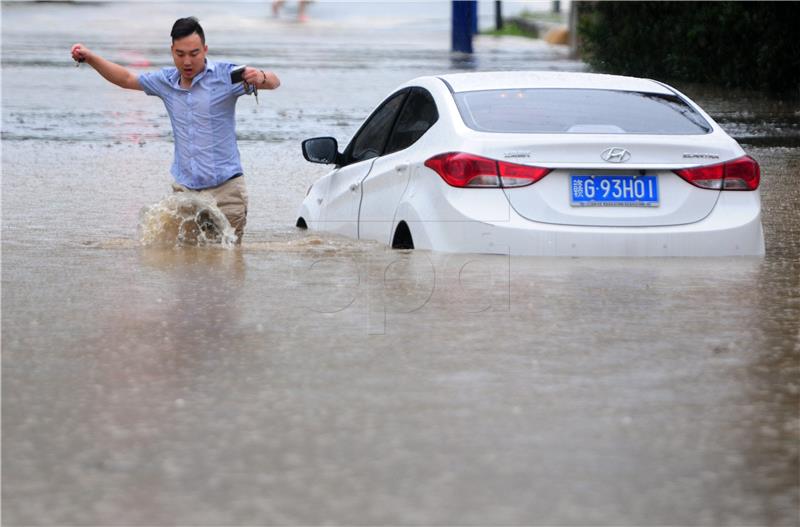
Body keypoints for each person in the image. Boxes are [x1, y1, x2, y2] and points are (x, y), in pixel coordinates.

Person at [70, 17, 280, 243]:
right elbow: (126, 78)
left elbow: (274, 82)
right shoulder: (166, 81)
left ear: (205, 49)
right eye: (180, 54)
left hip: (226, 190)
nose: (187, 61)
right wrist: (91, 58)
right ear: (172, 51)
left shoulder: (226, 76)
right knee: (185, 263)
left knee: (227, 263)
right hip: (185, 192)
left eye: (194, 53)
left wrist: (261, 76)